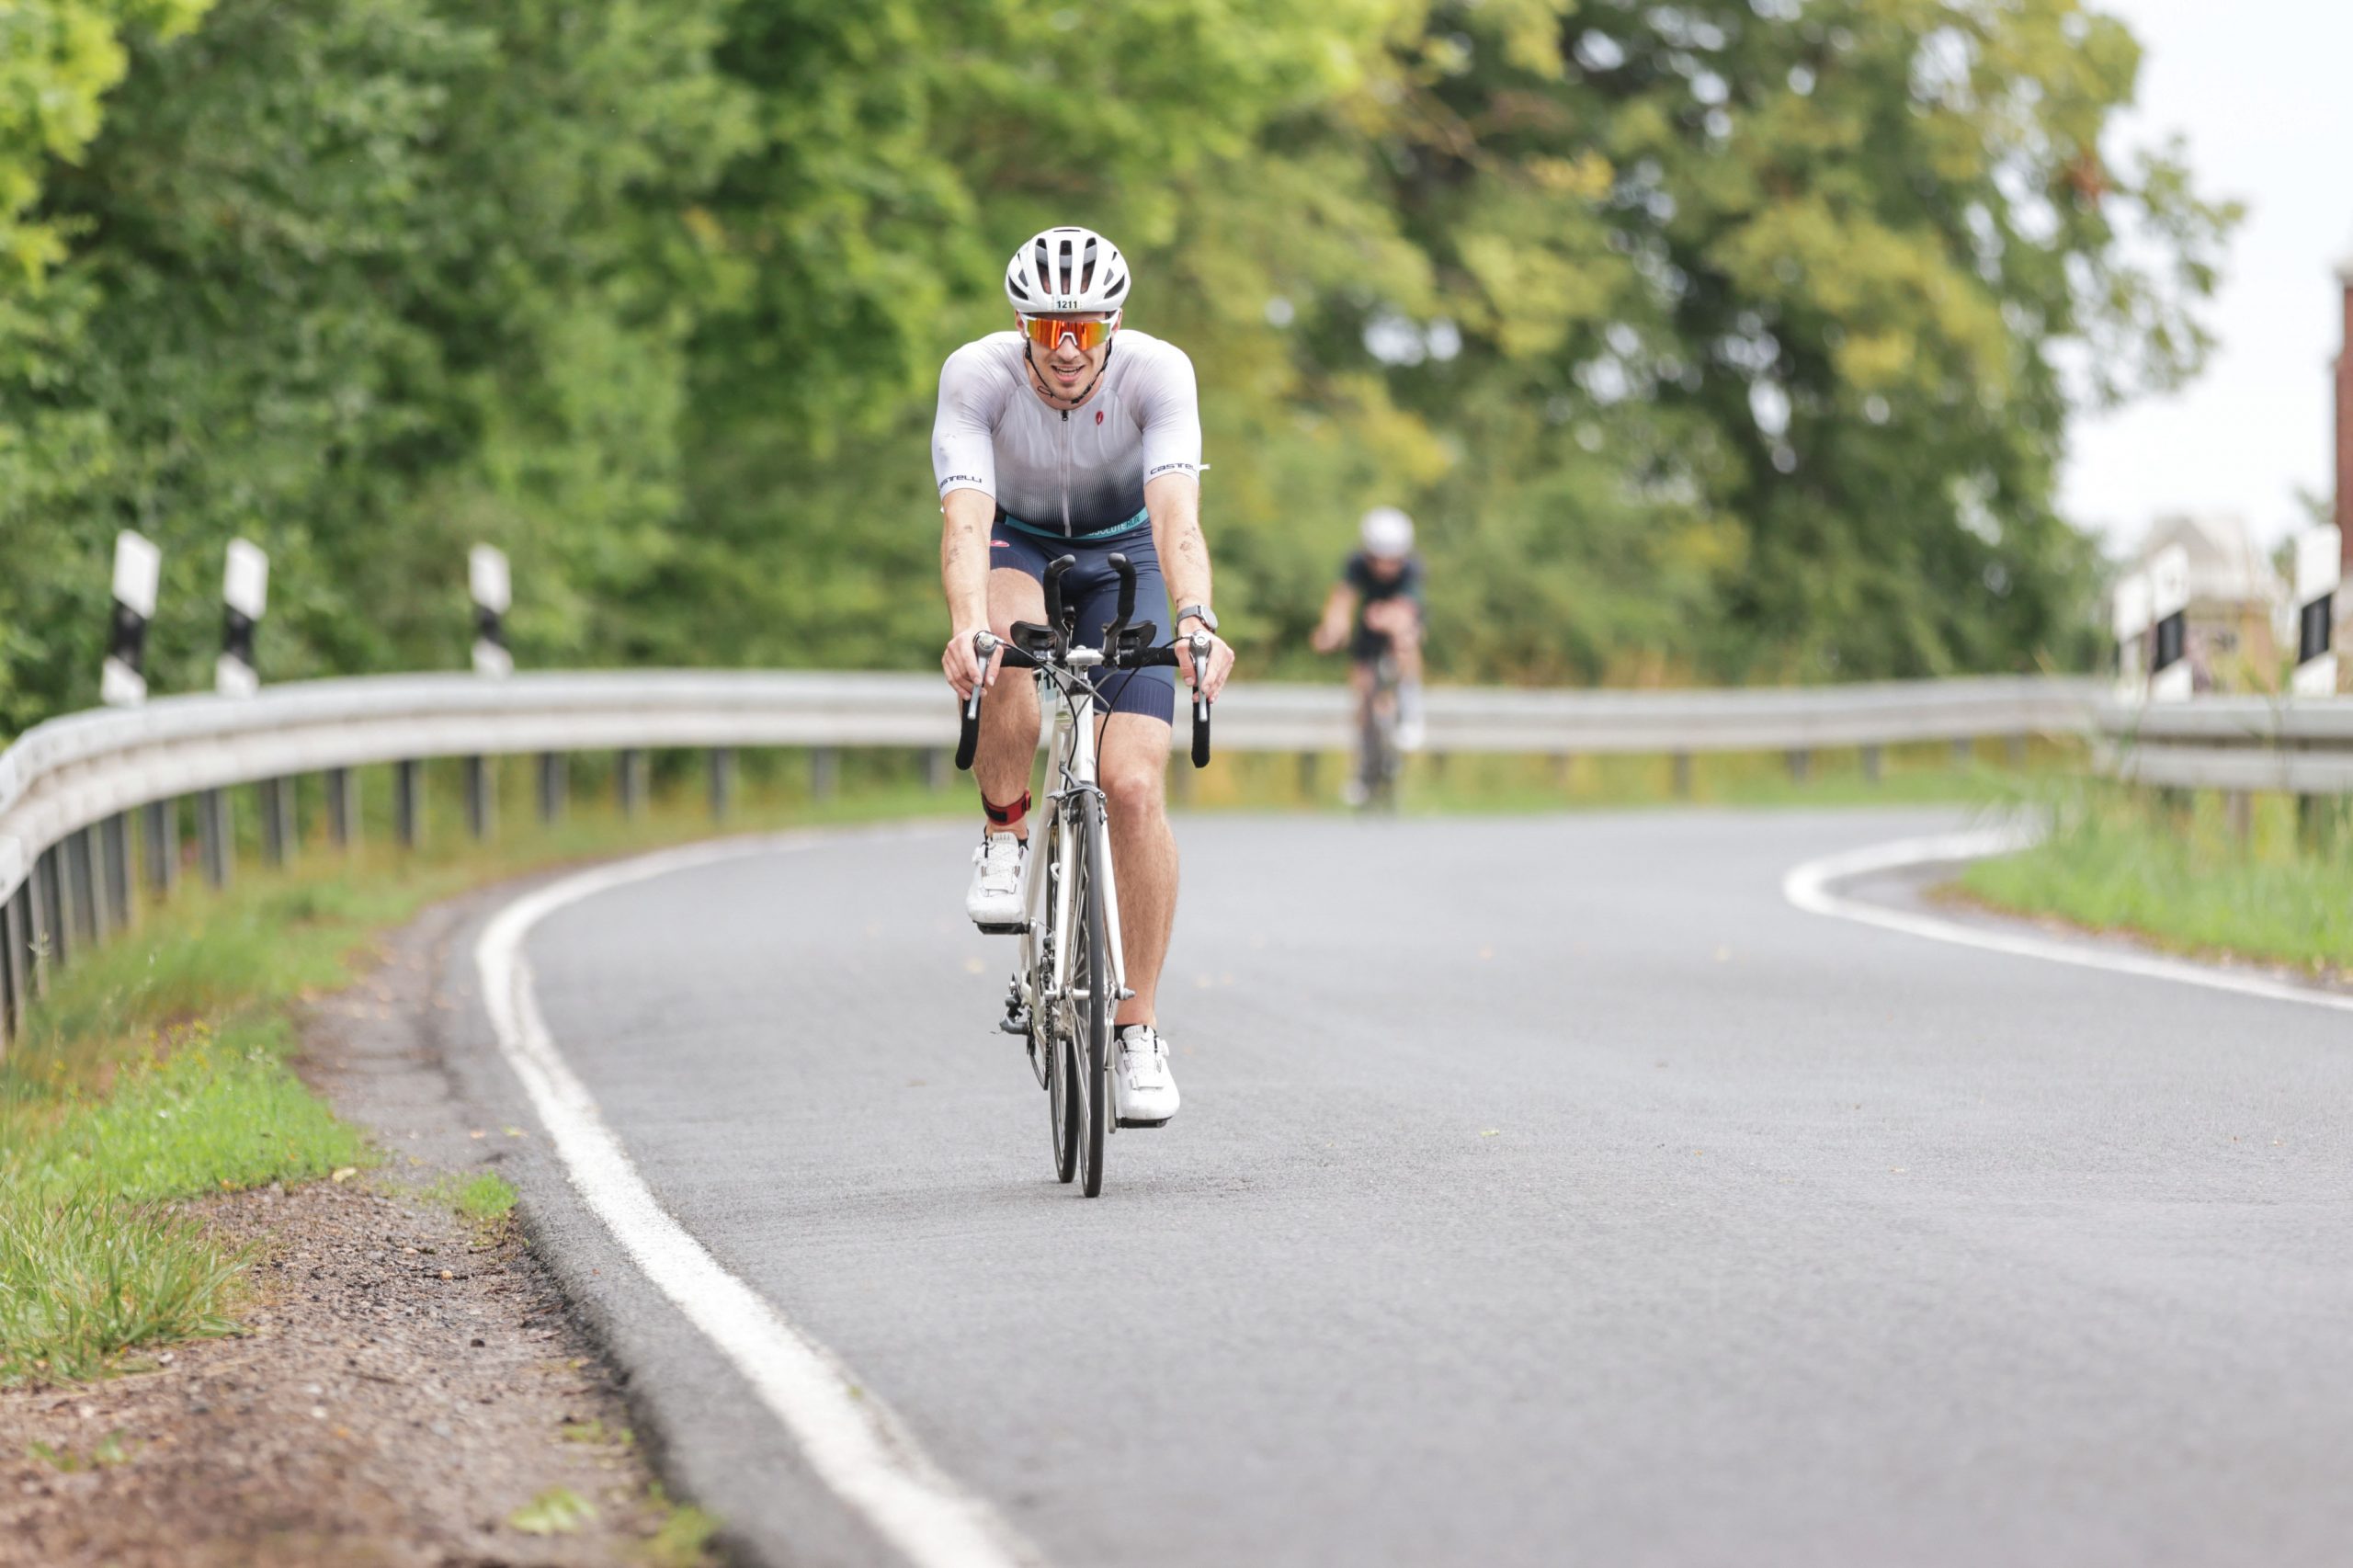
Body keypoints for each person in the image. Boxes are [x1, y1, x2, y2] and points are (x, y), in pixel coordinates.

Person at [933, 225, 1235, 1128]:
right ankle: (1004, 830)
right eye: (1048, 329)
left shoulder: (1158, 373)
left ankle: (1137, 1029)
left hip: (1124, 555)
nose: (1067, 351)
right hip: (1016, 545)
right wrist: (963, 627)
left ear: (1114, 326)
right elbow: (964, 519)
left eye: (1087, 330)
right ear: (1021, 327)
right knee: (1002, 638)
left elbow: (1176, 518)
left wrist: (1196, 620)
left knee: (1133, 787)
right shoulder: (976, 376)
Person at [1311, 506, 1427, 801]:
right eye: (1378, 559)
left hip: (1400, 623)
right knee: (1362, 694)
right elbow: (1342, 599)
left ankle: (1409, 706)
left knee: (1405, 638)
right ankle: (1362, 767)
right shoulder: (1356, 563)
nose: (1385, 567)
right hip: (1369, 626)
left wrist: (1386, 617)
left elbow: (1408, 609)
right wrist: (1332, 629)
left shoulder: (1412, 568)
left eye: (1392, 560)